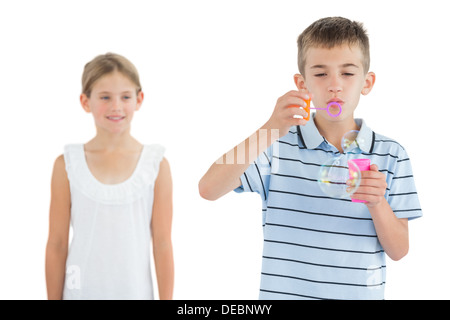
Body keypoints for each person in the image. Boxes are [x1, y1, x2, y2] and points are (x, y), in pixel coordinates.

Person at [199, 17, 422, 300]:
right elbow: (208, 189)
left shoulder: (391, 155)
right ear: (301, 84)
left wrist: (377, 203)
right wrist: (269, 129)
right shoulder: (276, 145)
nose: (334, 86)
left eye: (347, 73)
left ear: (367, 83)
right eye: (320, 74)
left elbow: (400, 250)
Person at [45, 53, 174, 300]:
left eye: (125, 97)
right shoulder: (66, 165)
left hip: (135, 293)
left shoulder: (156, 165)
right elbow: (57, 243)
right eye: (105, 97)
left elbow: (162, 243)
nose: (116, 106)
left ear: (139, 99)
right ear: (86, 101)